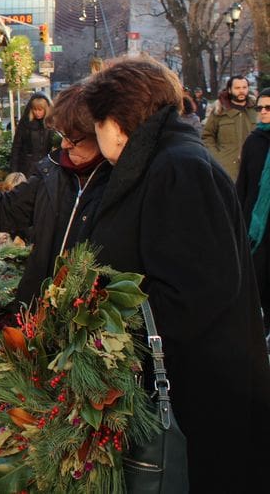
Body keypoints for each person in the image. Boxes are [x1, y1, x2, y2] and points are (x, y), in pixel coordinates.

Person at [81, 56, 270, 490]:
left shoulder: (178, 168)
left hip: (203, 397)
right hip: (193, 389)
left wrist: (112, 328)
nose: (95, 133)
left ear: (119, 120)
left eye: (98, 122)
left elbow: (196, 291)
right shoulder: (163, 162)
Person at [0, 83, 110, 306]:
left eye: (74, 139)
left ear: (99, 134)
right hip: (40, 309)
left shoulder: (116, 183)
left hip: (91, 317)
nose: (65, 144)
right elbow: (3, 210)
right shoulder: (51, 173)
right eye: (62, 134)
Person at [235, 87, 270, 331]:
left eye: (268, 108)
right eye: (259, 108)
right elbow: (243, 184)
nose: (263, 112)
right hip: (257, 225)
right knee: (258, 277)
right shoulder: (254, 141)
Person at [202, 74, 256, 180]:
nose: (241, 91)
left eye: (244, 87)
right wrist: (217, 157)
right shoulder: (219, 111)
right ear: (230, 90)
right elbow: (207, 136)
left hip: (254, 168)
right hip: (228, 170)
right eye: (237, 88)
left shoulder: (257, 109)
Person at [9, 92, 54, 178]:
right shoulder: (25, 124)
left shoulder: (51, 125)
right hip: (27, 168)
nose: (37, 112)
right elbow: (16, 147)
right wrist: (13, 171)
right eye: (35, 109)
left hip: (46, 168)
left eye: (40, 110)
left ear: (46, 109)